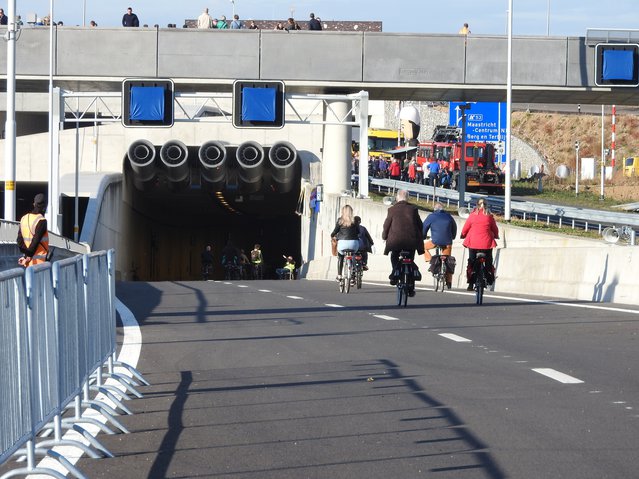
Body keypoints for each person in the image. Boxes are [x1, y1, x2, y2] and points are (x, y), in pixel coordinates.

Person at [381, 190, 424, 295]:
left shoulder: (392, 209)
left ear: (397, 198)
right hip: (411, 241)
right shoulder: (413, 209)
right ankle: (411, 287)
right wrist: (420, 236)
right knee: (410, 259)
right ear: (407, 198)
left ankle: (395, 273)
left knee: (394, 256)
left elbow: (386, 225)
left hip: (396, 241)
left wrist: (384, 236)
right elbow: (420, 225)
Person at [459, 198, 499, 290]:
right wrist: (496, 235)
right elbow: (495, 229)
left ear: (477, 205)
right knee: (489, 261)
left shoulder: (472, 216)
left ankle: (470, 283)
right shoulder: (489, 217)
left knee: (471, 261)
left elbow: (465, 228)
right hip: (487, 243)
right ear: (486, 205)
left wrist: (463, 235)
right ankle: (489, 278)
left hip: (473, 243)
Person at [422, 202, 457, 289]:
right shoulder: (449, 216)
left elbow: (424, 227)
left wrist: (423, 236)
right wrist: (452, 237)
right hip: (447, 241)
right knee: (448, 260)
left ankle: (431, 262)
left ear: (435, 209)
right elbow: (454, 227)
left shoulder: (431, 216)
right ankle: (449, 282)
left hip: (435, 241)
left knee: (423, 247)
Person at [17, 194, 49, 268]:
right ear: (44, 207)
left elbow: (19, 241)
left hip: (28, 264)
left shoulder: (24, 218)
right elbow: (35, 241)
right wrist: (28, 256)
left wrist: (26, 257)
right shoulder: (41, 220)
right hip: (40, 264)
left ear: (34, 204)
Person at [330, 204, 360, 282]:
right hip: (353, 244)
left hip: (342, 244)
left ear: (343, 211)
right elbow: (358, 232)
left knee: (340, 256)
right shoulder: (355, 221)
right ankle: (353, 276)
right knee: (353, 255)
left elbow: (335, 231)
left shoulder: (340, 220)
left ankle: (339, 275)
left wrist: (332, 235)